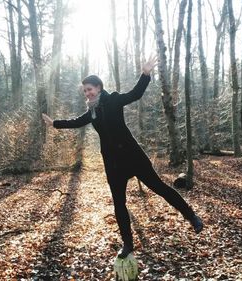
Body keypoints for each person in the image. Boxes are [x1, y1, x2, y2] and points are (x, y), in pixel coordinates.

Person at [42, 55, 203, 259]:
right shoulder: (91, 112)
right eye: (85, 91)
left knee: (160, 188)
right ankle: (127, 243)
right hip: (113, 164)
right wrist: (54, 123)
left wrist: (145, 74)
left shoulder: (114, 100)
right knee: (119, 204)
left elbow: (135, 94)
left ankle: (192, 217)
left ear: (99, 87)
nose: (87, 93)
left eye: (90, 89)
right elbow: (75, 122)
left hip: (133, 156)